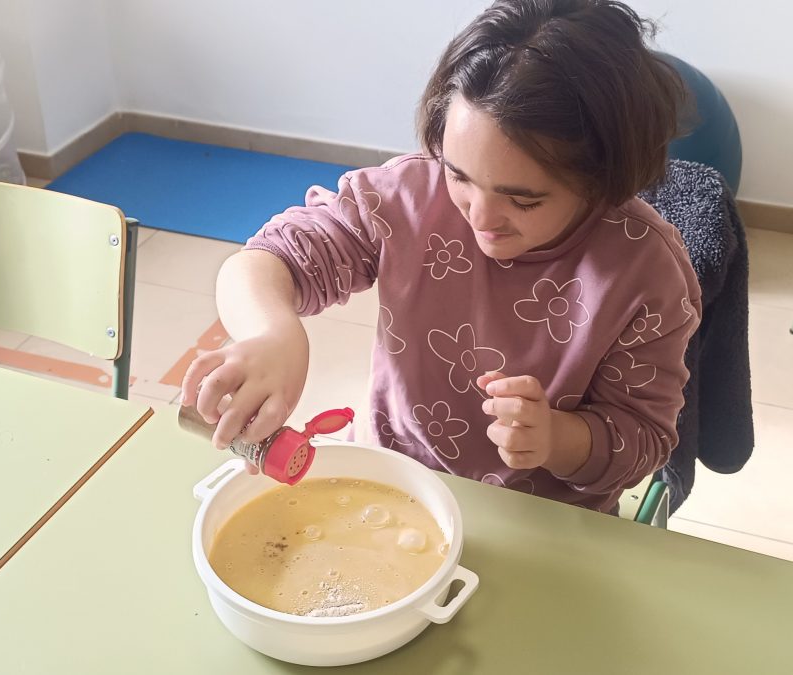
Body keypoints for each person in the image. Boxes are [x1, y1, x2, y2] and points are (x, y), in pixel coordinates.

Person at [181, 0, 701, 513]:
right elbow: (266, 259)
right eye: (458, 175)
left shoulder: (644, 273)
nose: (481, 217)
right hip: (395, 482)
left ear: (602, 180)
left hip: (544, 519)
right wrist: (272, 333)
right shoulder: (407, 196)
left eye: (523, 200)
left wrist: (556, 439)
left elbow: (643, 441)